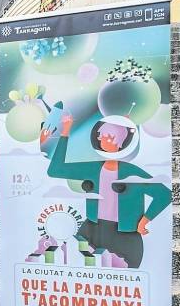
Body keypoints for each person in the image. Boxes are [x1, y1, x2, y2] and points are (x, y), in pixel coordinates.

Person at [46, 114, 171, 268]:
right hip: (92, 230)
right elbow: (55, 170)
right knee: (82, 271)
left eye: (110, 137)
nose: (103, 140)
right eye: (102, 136)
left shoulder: (133, 172)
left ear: (121, 143)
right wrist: (65, 132)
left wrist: (144, 220)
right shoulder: (92, 168)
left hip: (124, 236)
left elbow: (164, 195)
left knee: (125, 277)